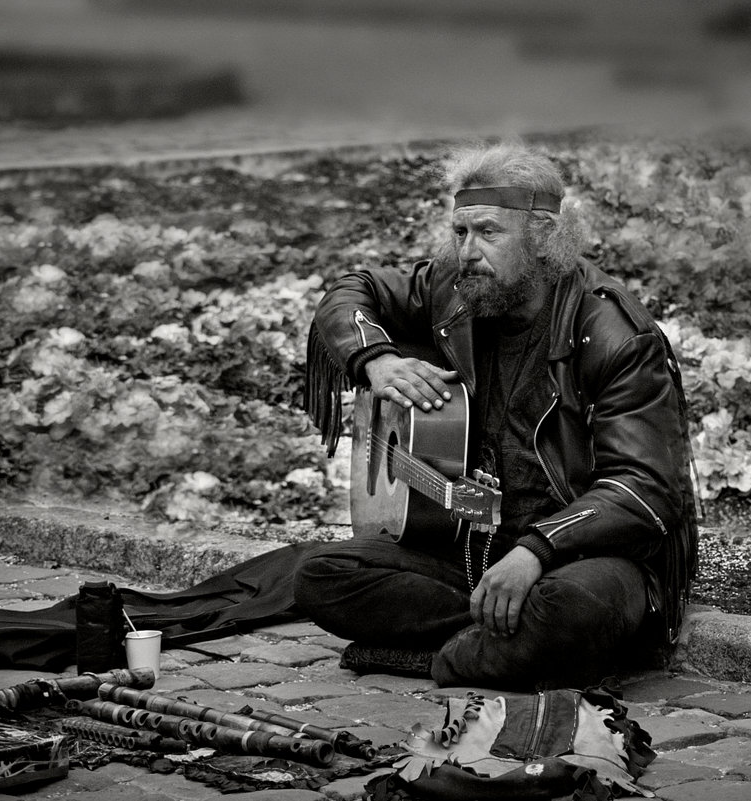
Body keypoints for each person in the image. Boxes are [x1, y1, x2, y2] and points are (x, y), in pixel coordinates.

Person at [298, 142, 698, 690]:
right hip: (471, 553)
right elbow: (352, 290)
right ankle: (500, 641)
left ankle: (438, 656)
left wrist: (538, 548)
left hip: (582, 559)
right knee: (323, 576)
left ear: (543, 235)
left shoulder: (614, 335)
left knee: (571, 608)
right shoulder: (457, 291)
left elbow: (647, 486)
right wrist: (376, 358)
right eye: (460, 232)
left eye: (488, 232)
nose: (467, 251)